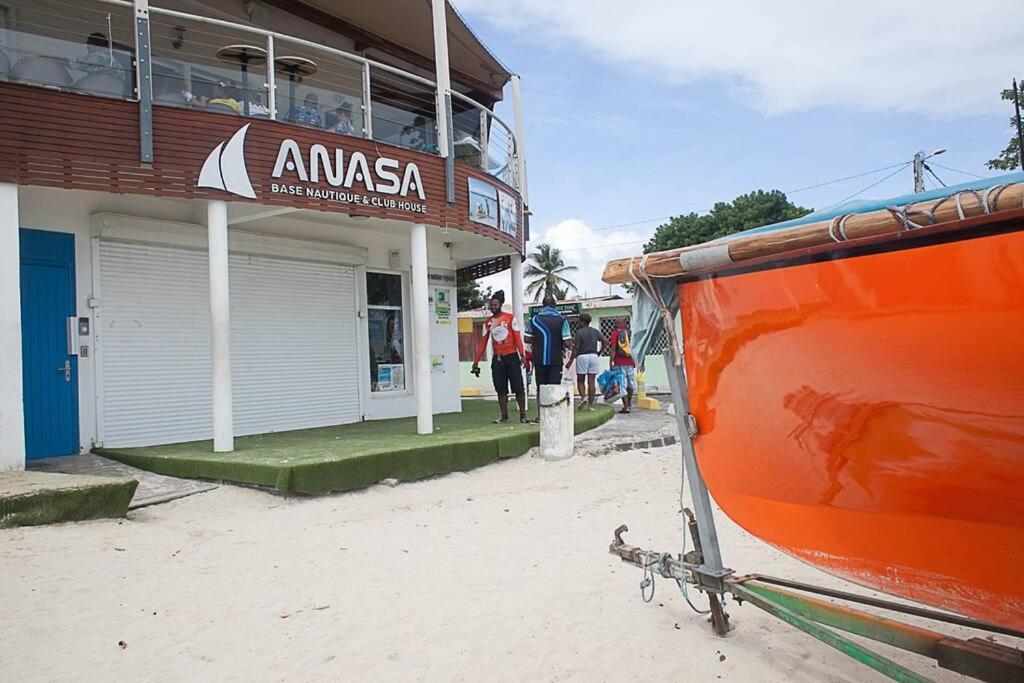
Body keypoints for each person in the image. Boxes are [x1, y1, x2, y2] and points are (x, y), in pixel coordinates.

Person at [471, 291, 529, 424]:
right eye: (491, 305)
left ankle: (523, 415)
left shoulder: (510, 318)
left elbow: (517, 339)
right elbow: (483, 343)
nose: (493, 307)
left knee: (519, 387)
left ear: (501, 305)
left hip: (512, 358)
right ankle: (504, 416)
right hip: (498, 360)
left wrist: (522, 355)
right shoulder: (488, 323)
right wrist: (476, 361)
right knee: (500, 389)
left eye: (495, 304)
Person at [525, 295, 573, 420]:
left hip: (539, 359)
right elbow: (568, 343)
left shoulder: (534, 319)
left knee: (541, 388)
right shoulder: (562, 320)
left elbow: (527, 338)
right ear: (555, 305)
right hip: (555, 360)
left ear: (543, 305)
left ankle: (540, 416)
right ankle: (553, 415)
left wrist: (540, 338)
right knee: (554, 388)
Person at [565, 313, 606, 410]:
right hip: (593, 356)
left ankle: (583, 397)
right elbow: (605, 341)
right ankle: (591, 406)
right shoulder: (595, 331)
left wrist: (570, 361)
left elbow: (576, 348)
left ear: (583, 321)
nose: (578, 322)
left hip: (582, 356)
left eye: (579, 320)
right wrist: (600, 352)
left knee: (580, 380)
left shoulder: (579, 333)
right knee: (591, 382)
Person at [609, 318, 637, 414]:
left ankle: (626, 406)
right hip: (630, 362)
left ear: (623, 323)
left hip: (619, 362)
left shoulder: (615, 333)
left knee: (622, 385)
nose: (615, 324)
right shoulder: (630, 333)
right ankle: (628, 404)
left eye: (617, 322)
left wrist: (611, 362)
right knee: (631, 384)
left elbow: (613, 348)